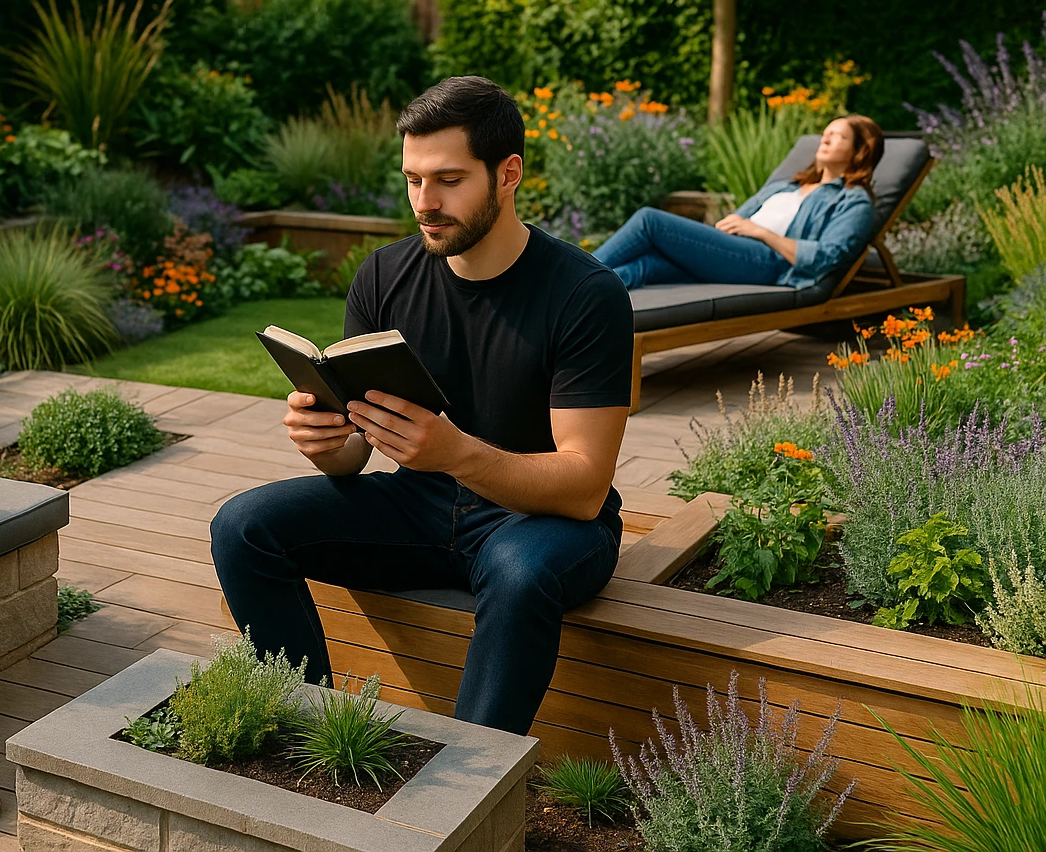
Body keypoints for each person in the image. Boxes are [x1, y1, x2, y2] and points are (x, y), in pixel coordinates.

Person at [210, 76, 633, 736]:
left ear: (508, 173)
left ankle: (466, 789)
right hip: (424, 504)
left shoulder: (584, 294)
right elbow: (357, 454)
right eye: (412, 179)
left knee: (518, 574)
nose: (424, 202)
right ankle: (309, 734)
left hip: (544, 523)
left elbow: (583, 487)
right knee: (243, 526)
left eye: (448, 179)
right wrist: (330, 444)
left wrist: (456, 452)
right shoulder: (384, 275)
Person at [594, 115, 883, 291]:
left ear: (859, 151)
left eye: (838, 135)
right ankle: (573, 301)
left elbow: (825, 258)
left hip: (769, 264)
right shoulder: (787, 185)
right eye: (826, 133)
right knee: (644, 267)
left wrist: (760, 232)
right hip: (733, 252)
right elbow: (735, 220)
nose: (826, 138)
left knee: (650, 221)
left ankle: (575, 275)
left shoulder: (853, 201)